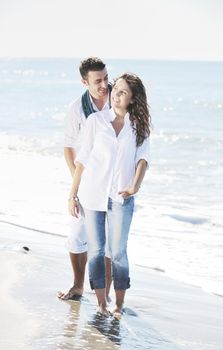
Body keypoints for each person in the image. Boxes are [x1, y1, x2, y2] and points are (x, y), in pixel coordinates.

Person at [68, 73, 151, 317]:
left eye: (123, 92)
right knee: (95, 251)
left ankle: (119, 304)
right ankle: (101, 303)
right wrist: (72, 195)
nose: (115, 94)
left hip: (121, 197)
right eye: (116, 90)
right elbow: (82, 160)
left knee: (117, 252)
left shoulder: (139, 127)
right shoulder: (96, 121)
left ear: (133, 99)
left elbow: (142, 160)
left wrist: (134, 187)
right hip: (92, 194)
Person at [57, 57, 112, 300]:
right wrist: (76, 182)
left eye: (106, 78)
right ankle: (78, 285)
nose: (104, 85)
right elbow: (68, 147)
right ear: (84, 82)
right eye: (98, 81)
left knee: (111, 239)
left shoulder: (119, 98)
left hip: (113, 179)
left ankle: (106, 295)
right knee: (77, 233)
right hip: (86, 179)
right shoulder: (77, 109)